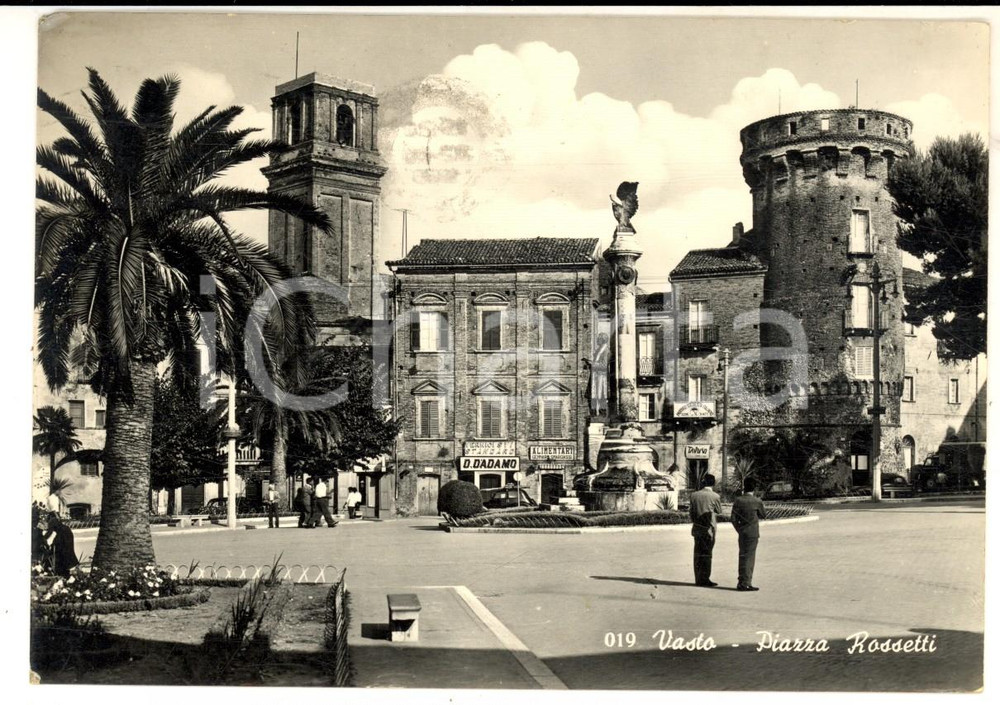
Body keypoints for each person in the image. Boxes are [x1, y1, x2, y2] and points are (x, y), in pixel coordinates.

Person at [730, 478, 766, 591]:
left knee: (742, 556)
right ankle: (746, 583)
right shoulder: (757, 501)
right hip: (753, 533)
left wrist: (739, 529)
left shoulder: (738, 500)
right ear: (754, 488)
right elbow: (763, 515)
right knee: (750, 557)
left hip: (742, 532)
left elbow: (733, 518)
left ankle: (741, 581)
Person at [688, 474, 723, 587]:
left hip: (697, 527)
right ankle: (705, 578)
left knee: (697, 553)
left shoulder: (694, 495)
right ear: (713, 483)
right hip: (709, 528)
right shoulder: (715, 496)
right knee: (707, 554)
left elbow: (691, 512)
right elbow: (719, 511)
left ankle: (698, 578)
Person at [44, 512, 79, 577]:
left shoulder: (54, 522)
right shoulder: (64, 528)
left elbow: (50, 533)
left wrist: (44, 540)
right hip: (66, 533)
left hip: (64, 556)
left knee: (54, 555)